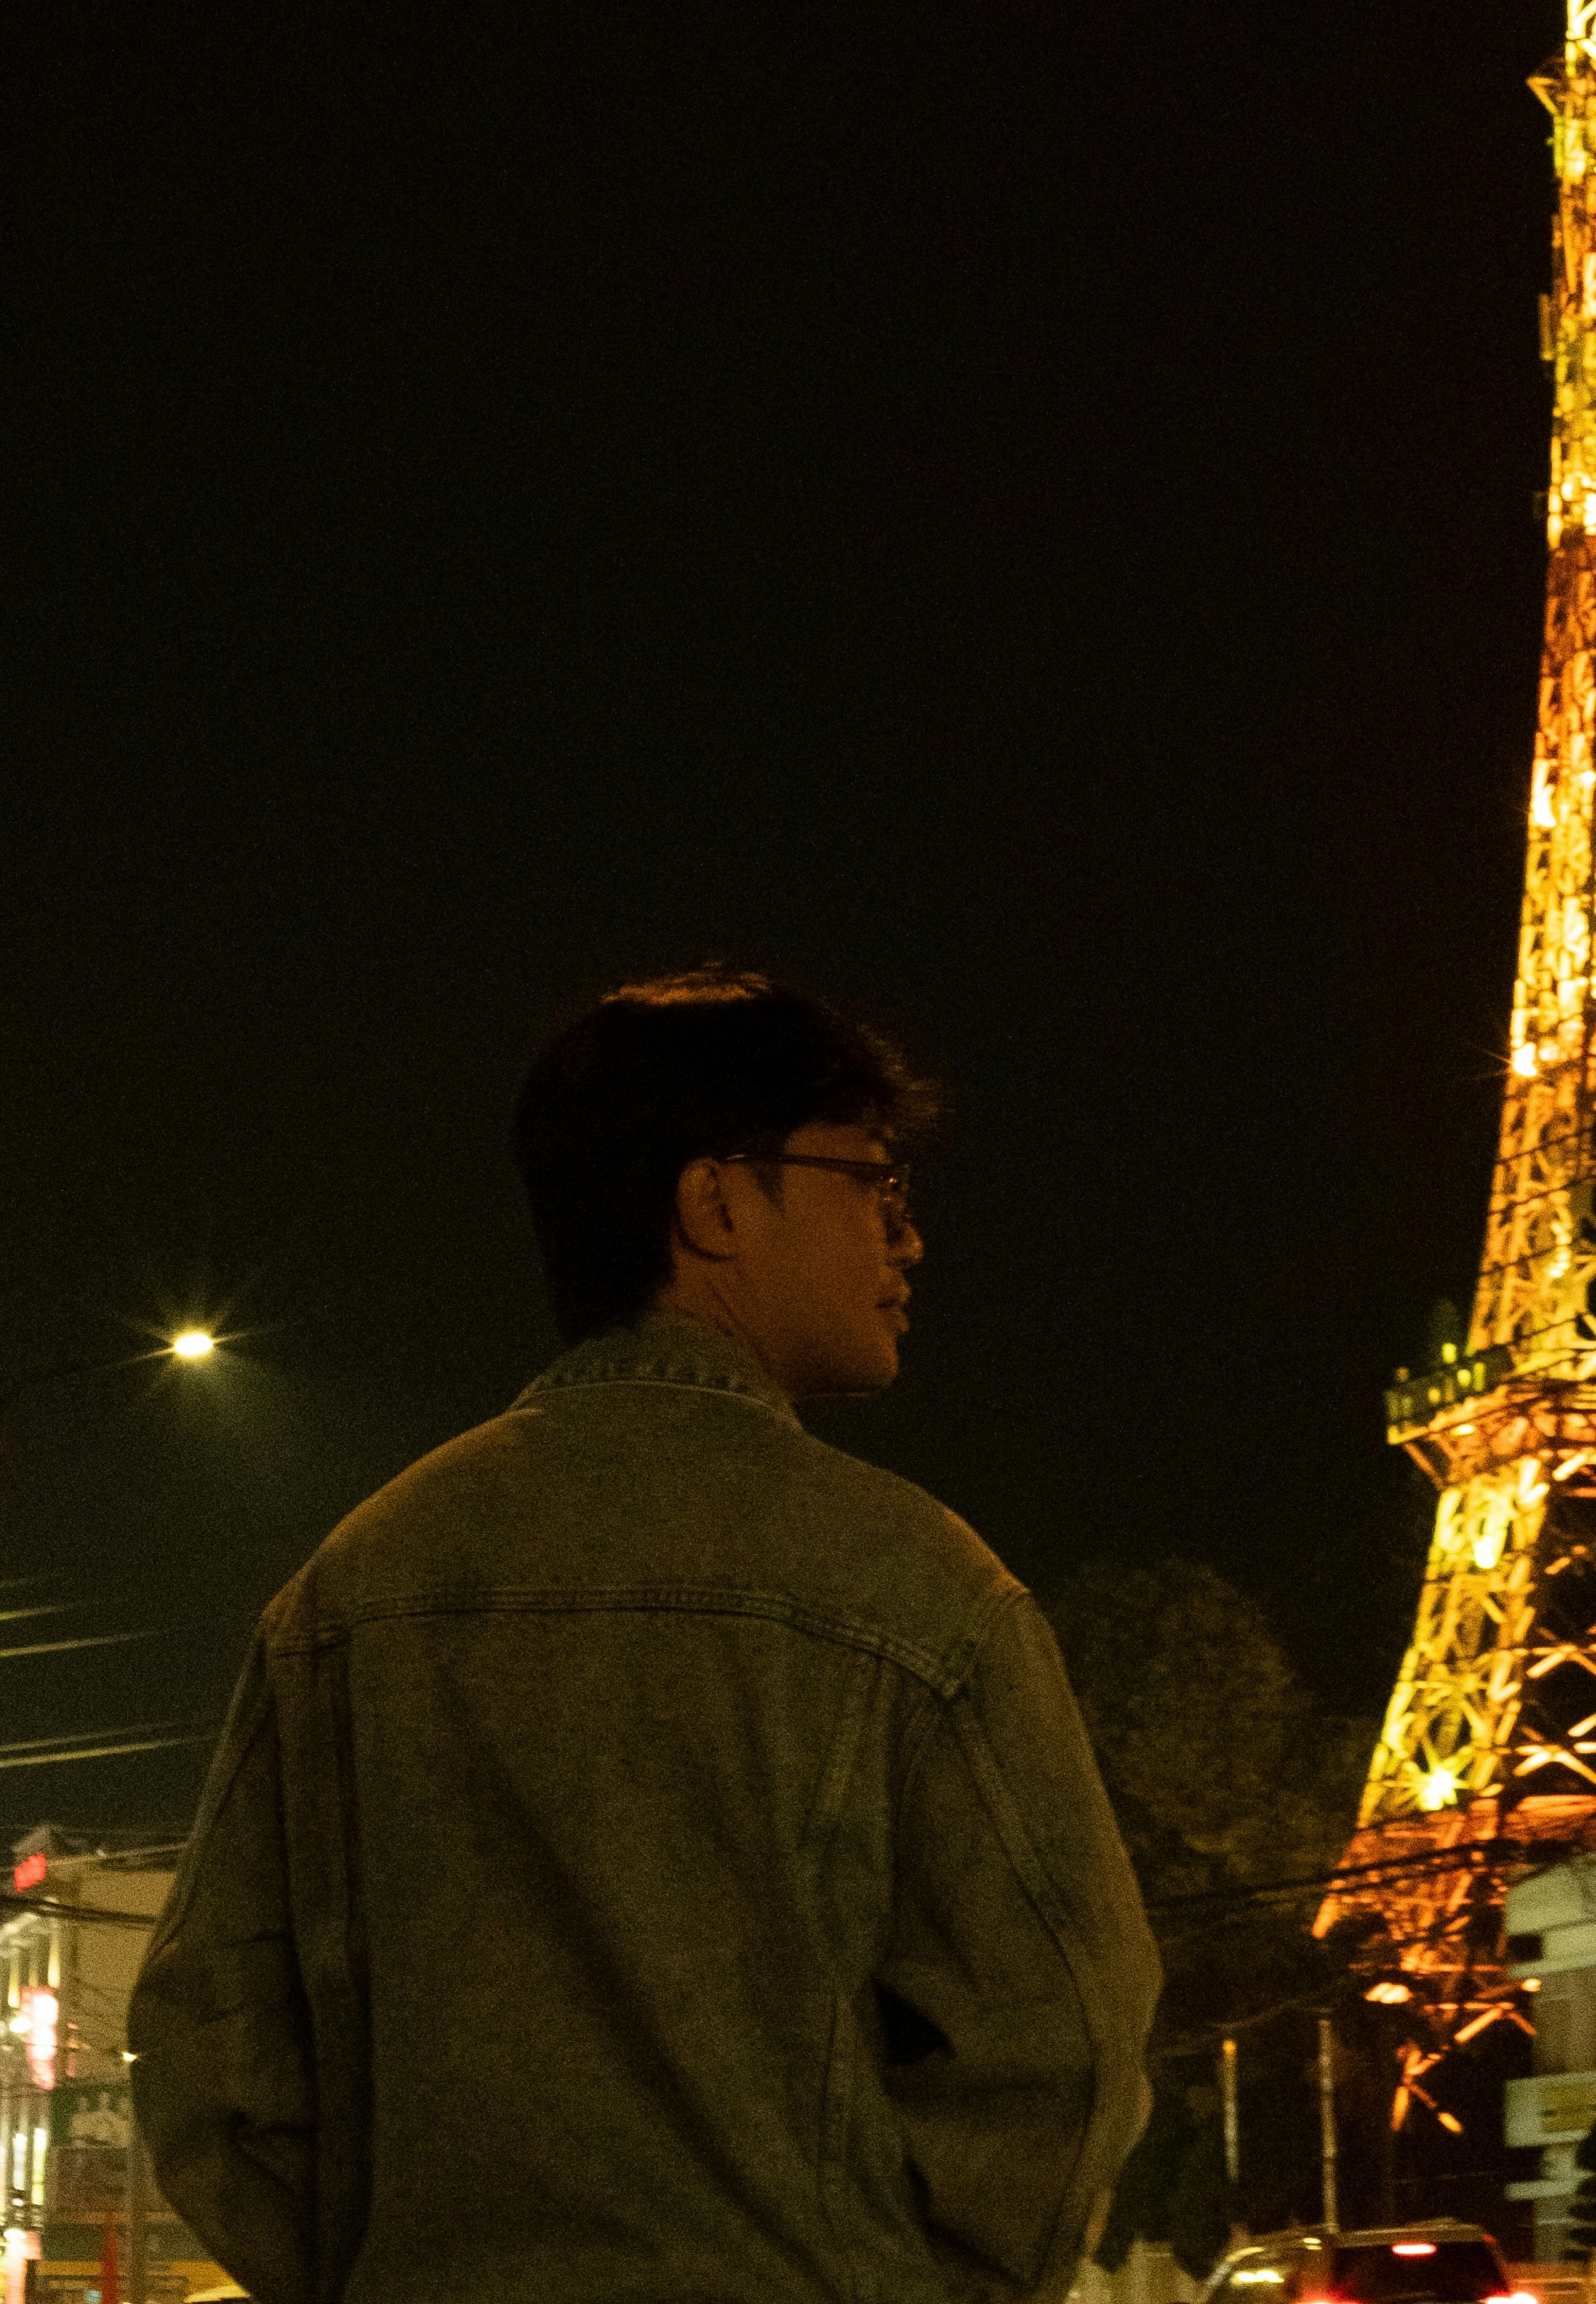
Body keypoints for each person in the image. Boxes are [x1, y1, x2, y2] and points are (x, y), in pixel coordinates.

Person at [132, 965, 1158, 2302]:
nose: (908, 1239)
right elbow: (1067, 2042)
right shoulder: (922, 1589)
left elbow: (213, 2063)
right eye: (876, 1183)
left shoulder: (351, 1587)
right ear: (716, 1199)